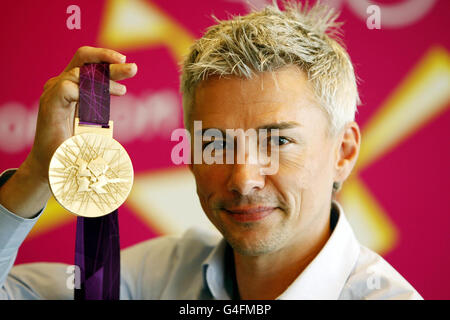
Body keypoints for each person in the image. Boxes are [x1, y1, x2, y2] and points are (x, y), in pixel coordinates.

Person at [0, 2, 421, 300]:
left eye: (278, 140)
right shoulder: (154, 279)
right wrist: (38, 172)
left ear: (343, 152)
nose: (242, 179)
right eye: (214, 142)